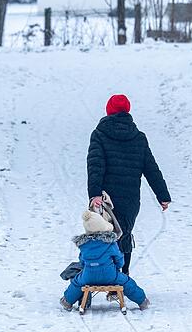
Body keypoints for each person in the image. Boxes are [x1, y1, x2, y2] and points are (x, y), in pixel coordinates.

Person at [87, 94, 171, 275]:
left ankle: (107, 277)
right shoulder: (138, 137)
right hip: (130, 200)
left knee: (103, 235)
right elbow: (151, 169)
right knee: (123, 234)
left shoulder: (99, 134)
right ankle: (122, 277)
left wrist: (94, 194)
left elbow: (95, 166)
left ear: (108, 110)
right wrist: (162, 195)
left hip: (105, 198)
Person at [60, 211, 149, 311]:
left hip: (88, 276)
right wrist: (117, 267)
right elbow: (119, 258)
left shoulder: (83, 245)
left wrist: (87, 267)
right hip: (110, 275)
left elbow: (82, 261)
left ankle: (67, 301)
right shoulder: (110, 243)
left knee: (76, 282)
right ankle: (142, 301)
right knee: (127, 282)